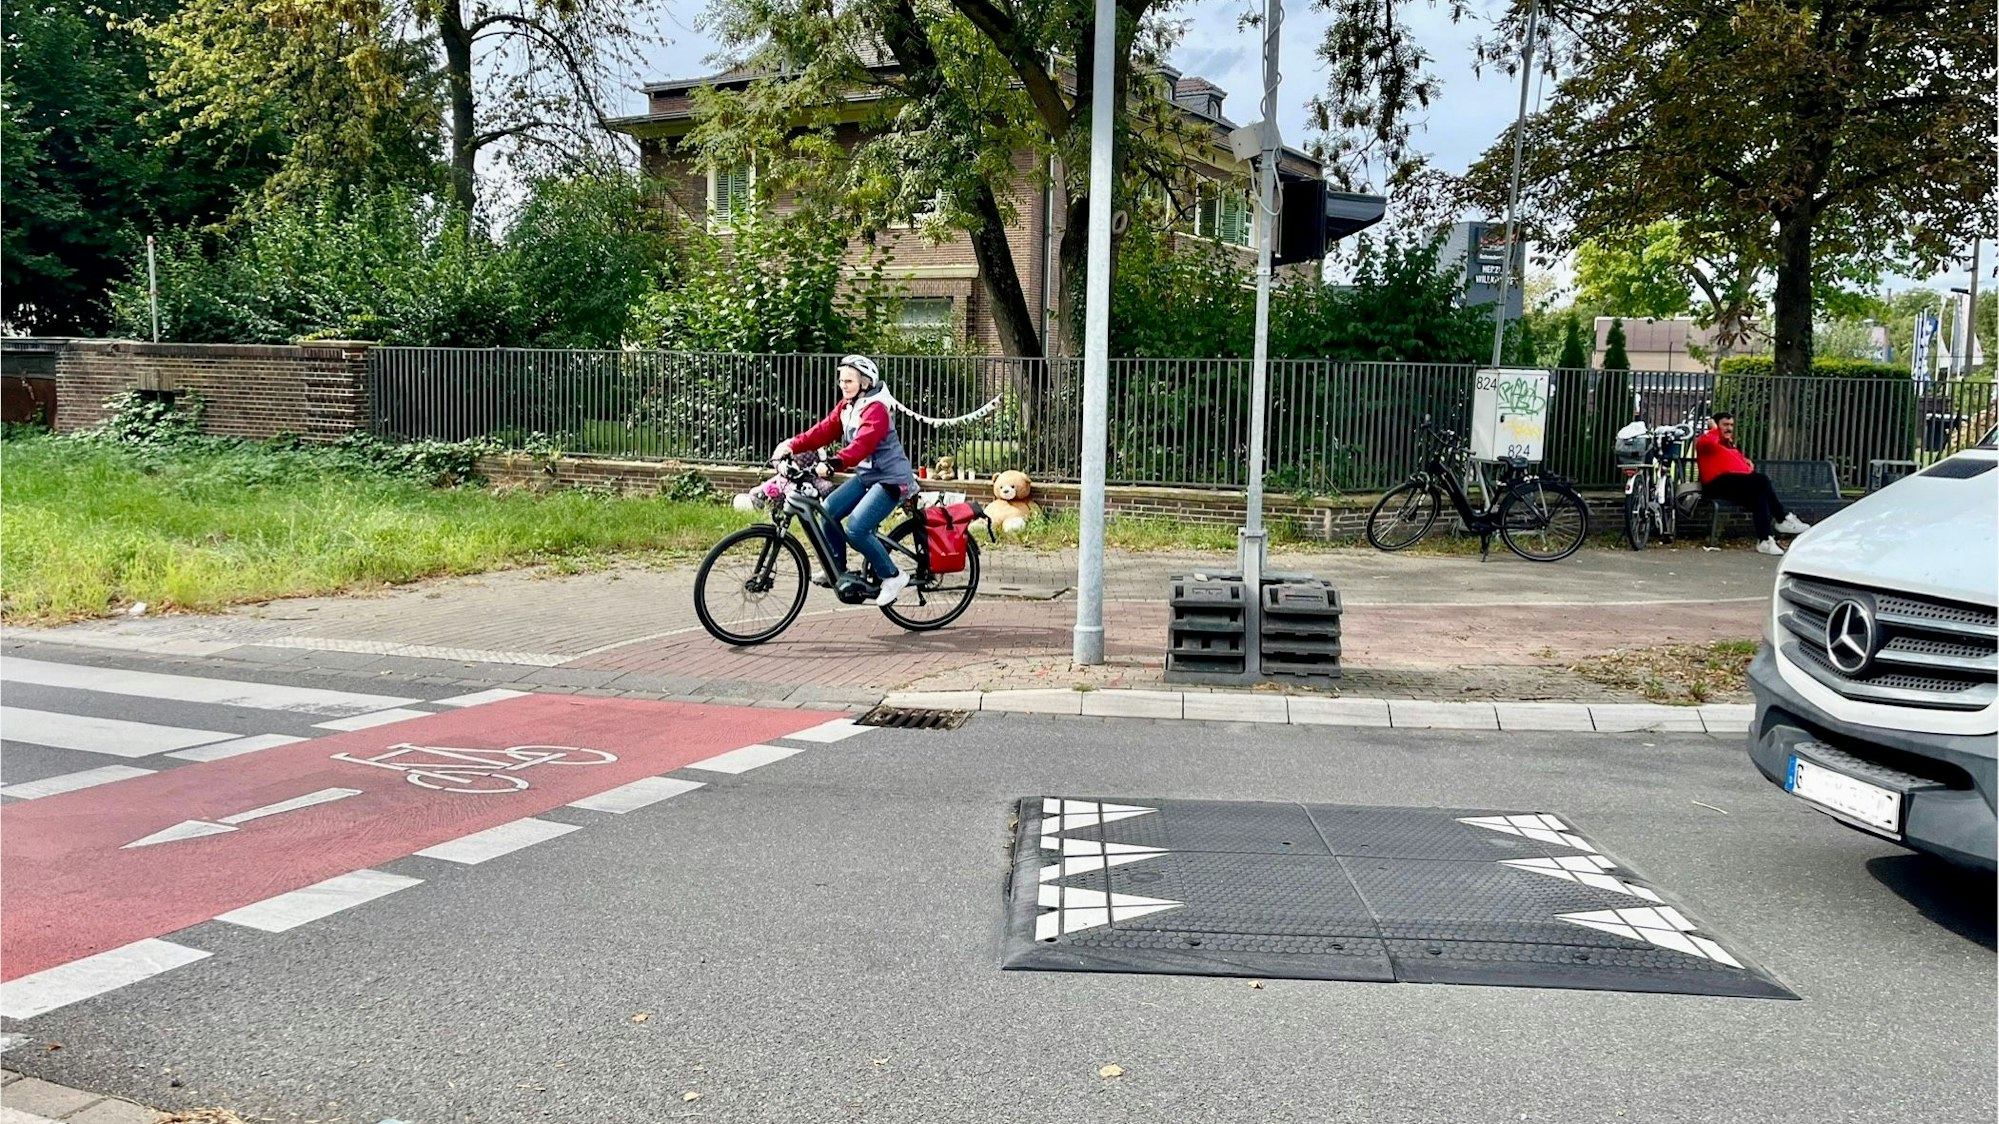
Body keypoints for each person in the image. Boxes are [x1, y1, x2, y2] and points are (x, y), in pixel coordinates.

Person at [773, 355, 919, 606]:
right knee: (828, 511)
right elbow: (823, 430)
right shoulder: (848, 406)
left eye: (849, 380)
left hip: (891, 479)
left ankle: (893, 576)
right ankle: (837, 570)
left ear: (865, 382)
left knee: (857, 527)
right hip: (868, 477)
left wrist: (832, 463)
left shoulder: (876, 409)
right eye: (841, 380)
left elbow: (863, 445)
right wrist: (791, 445)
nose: (843, 384)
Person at [1695, 412, 1810, 555]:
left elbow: (1737, 463)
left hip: (1733, 484)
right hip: (1716, 484)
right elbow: (1710, 444)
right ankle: (1782, 518)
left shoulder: (1729, 445)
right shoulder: (1705, 440)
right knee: (1761, 480)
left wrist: (1746, 464)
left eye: (1731, 425)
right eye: (1725, 425)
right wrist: (1713, 430)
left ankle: (1765, 540)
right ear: (1715, 425)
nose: (1729, 428)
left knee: (1759, 496)